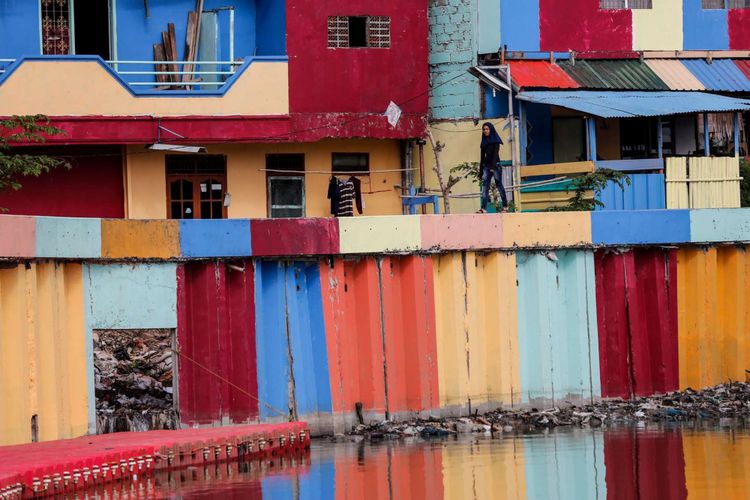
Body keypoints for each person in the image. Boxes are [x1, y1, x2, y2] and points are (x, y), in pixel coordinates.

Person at [478, 122, 508, 213]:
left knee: (499, 185)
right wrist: (480, 171)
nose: (485, 131)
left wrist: (493, 166)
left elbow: (495, 154)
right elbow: (482, 157)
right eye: (484, 129)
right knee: (485, 187)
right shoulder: (484, 142)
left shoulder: (495, 140)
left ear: (491, 129)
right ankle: (483, 209)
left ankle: (505, 207)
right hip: (486, 166)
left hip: (496, 165)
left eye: (487, 129)